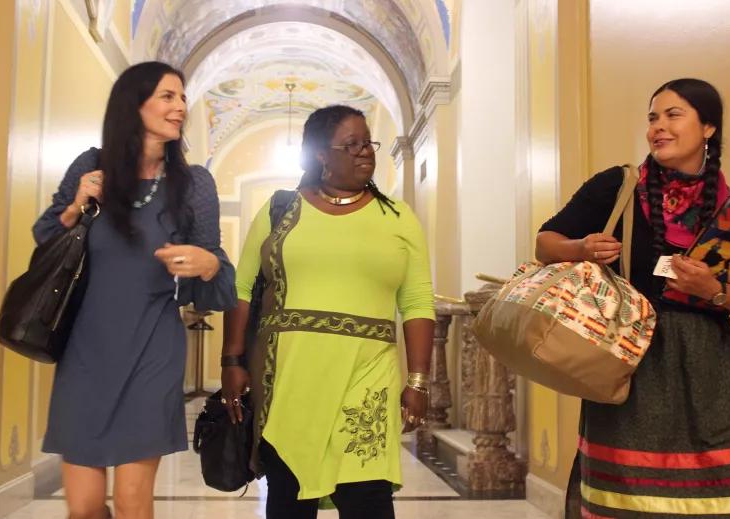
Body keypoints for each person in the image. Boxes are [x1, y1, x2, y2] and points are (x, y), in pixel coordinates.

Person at [537, 78, 730, 517]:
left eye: (674, 115)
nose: (659, 127)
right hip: (627, 358)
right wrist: (581, 249)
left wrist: (713, 292)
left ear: (708, 127)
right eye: (653, 117)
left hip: (709, 370)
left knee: (712, 499)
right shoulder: (617, 186)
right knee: (623, 497)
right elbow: (544, 243)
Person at [33, 61, 237, 519]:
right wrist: (75, 206)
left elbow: (219, 275)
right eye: (168, 96)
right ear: (134, 103)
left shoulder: (194, 184)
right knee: (83, 509)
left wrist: (206, 265)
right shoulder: (89, 165)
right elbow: (46, 238)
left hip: (152, 346)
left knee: (130, 502)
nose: (180, 106)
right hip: (84, 350)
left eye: (183, 97)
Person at [221, 104, 435, 518]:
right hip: (289, 377)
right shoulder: (280, 210)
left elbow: (417, 301)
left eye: (368, 143)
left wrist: (419, 381)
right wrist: (231, 360)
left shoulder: (397, 217)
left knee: (367, 498)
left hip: (368, 376)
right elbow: (242, 286)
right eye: (351, 144)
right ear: (321, 154)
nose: (365, 152)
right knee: (289, 498)